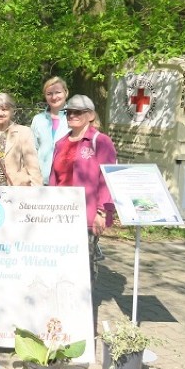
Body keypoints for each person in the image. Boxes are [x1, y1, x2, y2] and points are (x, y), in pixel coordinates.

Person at [49, 94, 116, 283]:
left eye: (77, 112)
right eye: (68, 112)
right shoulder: (61, 143)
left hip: (86, 215)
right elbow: (54, 178)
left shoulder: (101, 142)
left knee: (83, 267)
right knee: (60, 265)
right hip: (59, 214)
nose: (71, 116)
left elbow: (108, 179)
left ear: (91, 115)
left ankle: (85, 310)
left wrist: (102, 212)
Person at [30, 76, 71, 185]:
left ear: (66, 93)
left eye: (58, 92)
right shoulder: (38, 120)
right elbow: (32, 150)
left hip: (67, 181)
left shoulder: (74, 118)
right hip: (42, 181)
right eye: (49, 94)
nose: (54, 97)